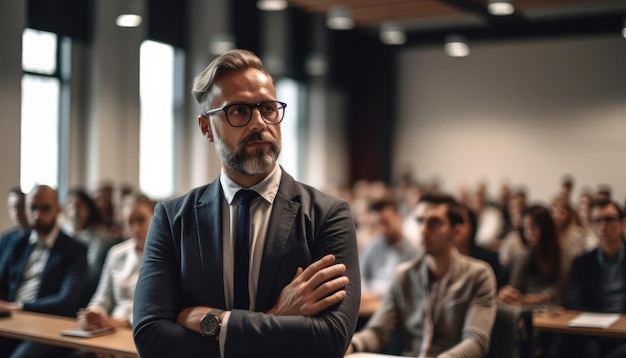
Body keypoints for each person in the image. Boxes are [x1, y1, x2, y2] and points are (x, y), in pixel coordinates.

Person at [132, 49, 360, 358]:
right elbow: (150, 336)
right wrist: (275, 318)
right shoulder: (173, 218)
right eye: (238, 111)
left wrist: (214, 323)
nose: (259, 123)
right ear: (205, 128)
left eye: (268, 108)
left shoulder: (327, 215)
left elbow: (331, 339)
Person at [346, 194, 497, 357]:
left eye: (434, 222)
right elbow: (378, 331)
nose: (424, 230)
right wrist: (352, 345)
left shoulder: (478, 275)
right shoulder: (404, 275)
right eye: (420, 221)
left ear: (456, 231)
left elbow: (476, 341)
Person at [0, 185, 88, 358]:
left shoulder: (75, 249)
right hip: (11, 321)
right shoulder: (17, 243)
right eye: (32, 208)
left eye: (45, 208)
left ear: (58, 209)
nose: (38, 215)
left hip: (49, 327)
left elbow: (66, 302)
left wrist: (18, 307)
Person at [547, 199, 626, 358]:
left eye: (609, 219)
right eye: (597, 221)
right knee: (561, 347)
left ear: (622, 224)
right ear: (592, 226)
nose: (603, 225)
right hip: (593, 330)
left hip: (623, 332)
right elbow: (573, 301)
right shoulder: (582, 262)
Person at [77, 194, 155, 332]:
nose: (136, 228)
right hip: (110, 327)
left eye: (141, 220)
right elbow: (102, 298)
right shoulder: (116, 253)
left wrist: (117, 323)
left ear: (154, 218)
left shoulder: (166, 255)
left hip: (145, 329)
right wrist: (93, 314)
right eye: (130, 222)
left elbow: (157, 308)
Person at [498, 205, 564, 306]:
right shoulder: (524, 255)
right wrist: (508, 294)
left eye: (533, 228)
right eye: (525, 229)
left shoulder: (561, 255)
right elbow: (515, 286)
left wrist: (525, 299)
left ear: (545, 228)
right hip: (526, 308)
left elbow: (556, 291)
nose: (529, 233)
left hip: (552, 310)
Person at [62, 188, 119, 304]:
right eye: (70, 205)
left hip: (84, 282)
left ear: (88, 208)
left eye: (79, 206)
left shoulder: (99, 234)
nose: (74, 210)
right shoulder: (63, 230)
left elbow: (92, 266)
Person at [359, 198, 418, 308]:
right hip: (369, 303)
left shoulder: (412, 252)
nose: (382, 229)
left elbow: (405, 287)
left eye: (386, 222)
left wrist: (375, 293)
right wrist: (364, 290)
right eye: (379, 224)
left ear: (399, 218)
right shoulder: (373, 245)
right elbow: (360, 273)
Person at [455, 204, 503, 288]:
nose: (457, 228)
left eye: (462, 222)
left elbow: (497, 289)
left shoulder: (488, 258)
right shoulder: (440, 260)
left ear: (472, 226)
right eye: (454, 222)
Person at [0, 188, 30, 266]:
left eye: (20, 207)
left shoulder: (36, 238)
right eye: (12, 208)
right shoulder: (6, 238)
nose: (16, 213)